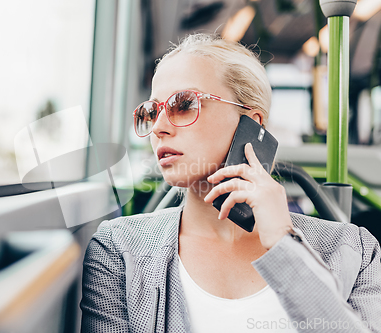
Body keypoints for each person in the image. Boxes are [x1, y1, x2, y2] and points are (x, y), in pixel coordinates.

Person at [80, 34, 381, 332]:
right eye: (152, 112)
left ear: (253, 123)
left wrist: (282, 242)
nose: (158, 128)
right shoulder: (119, 249)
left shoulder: (354, 251)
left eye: (183, 104)